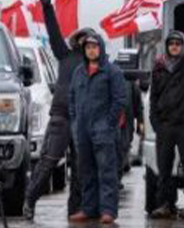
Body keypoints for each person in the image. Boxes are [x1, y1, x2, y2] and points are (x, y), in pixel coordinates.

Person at [23, 0, 88, 222]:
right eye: (81, 39)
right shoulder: (65, 55)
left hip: (83, 121)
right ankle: (29, 201)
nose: (84, 43)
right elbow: (53, 32)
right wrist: (47, 7)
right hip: (61, 117)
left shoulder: (98, 66)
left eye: (89, 40)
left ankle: (75, 210)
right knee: (48, 163)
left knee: (81, 169)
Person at [69, 29, 127, 225]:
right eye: (88, 47)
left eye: (94, 47)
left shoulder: (112, 71)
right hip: (83, 130)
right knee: (86, 171)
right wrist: (75, 121)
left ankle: (108, 211)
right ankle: (89, 208)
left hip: (103, 130)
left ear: (100, 49)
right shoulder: (78, 72)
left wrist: (109, 124)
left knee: (106, 171)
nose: (91, 51)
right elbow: (71, 99)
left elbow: (120, 100)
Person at [149, 29, 184, 219]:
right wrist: (155, 122)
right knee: (164, 167)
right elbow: (153, 98)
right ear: (167, 46)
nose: (174, 46)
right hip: (164, 125)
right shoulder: (158, 66)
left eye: (178, 44)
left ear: (183, 46)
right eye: (171, 43)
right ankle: (166, 204)